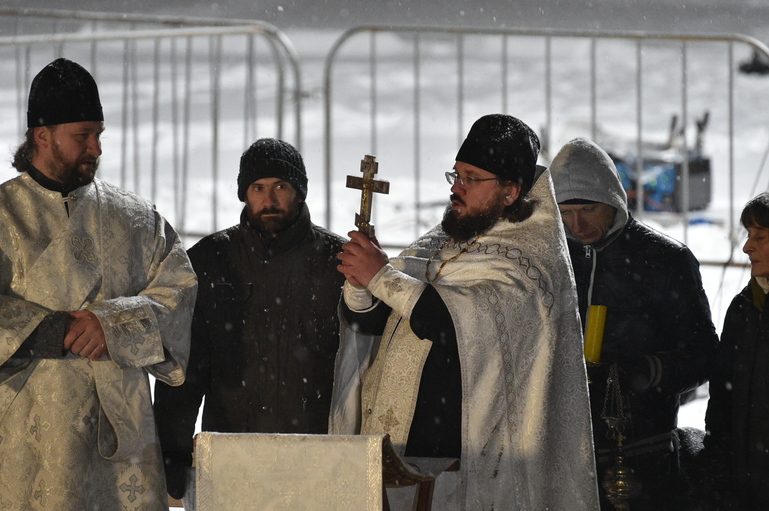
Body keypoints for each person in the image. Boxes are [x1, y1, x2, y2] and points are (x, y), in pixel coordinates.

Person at [330, 114, 599, 510]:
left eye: (472, 178)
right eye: (456, 175)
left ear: (510, 192)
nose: (457, 188)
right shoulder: (446, 239)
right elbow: (379, 321)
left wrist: (382, 278)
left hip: (463, 470)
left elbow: (455, 326)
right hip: (394, 456)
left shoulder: (529, 262)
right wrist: (361, 284)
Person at [0, 58, 197, 509]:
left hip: (119, 442)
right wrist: (52, 330)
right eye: (83, 135)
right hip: (27, 432)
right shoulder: (4, 215)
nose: (97, 148)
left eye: (99, 134)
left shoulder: (135, 219)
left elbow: (179, 290)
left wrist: (112, 325)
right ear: (42, 135)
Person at [153, 138, 347, 502]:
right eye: (258, 188)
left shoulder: (338, 262)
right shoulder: (209, 261)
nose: (269, 199)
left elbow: (364, 362)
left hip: (320, 452)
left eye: (280, 187)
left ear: (299, 192)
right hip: (232, 453)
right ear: (244, 193)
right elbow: (184, 367)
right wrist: (170, 453)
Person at [549, 137, 718, 510]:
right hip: (562, 456)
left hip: (645, 454)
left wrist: (646, 372)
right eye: (565, 211)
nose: (577, 224)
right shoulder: (550, 263)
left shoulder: (665, 260)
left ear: (613, 200)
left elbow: (704, 354)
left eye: (588, 209)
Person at [703, 191, 769, 510]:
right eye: (748, 235)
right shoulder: (743, 307)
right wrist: (717, 470)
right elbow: (722, 397)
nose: (747, 247)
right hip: (743, 487)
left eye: (761, 237)